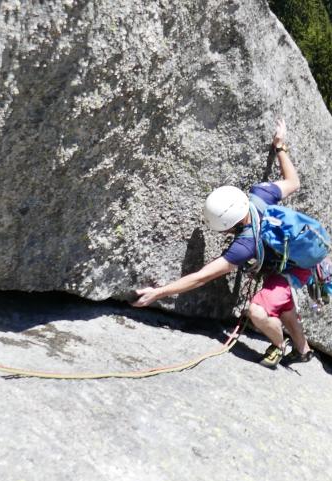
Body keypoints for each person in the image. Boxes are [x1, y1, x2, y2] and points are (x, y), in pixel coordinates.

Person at [131, 120, 315, 368]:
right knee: (280, 299)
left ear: (230, 225)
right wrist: (280, 146)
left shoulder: (244, 245)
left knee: (257, 311)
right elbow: (293, 182)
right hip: (305, 249)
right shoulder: (260, 194)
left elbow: (201, 277)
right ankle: (303, 351)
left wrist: (159, 292)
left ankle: (280, 345)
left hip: (293, 268)